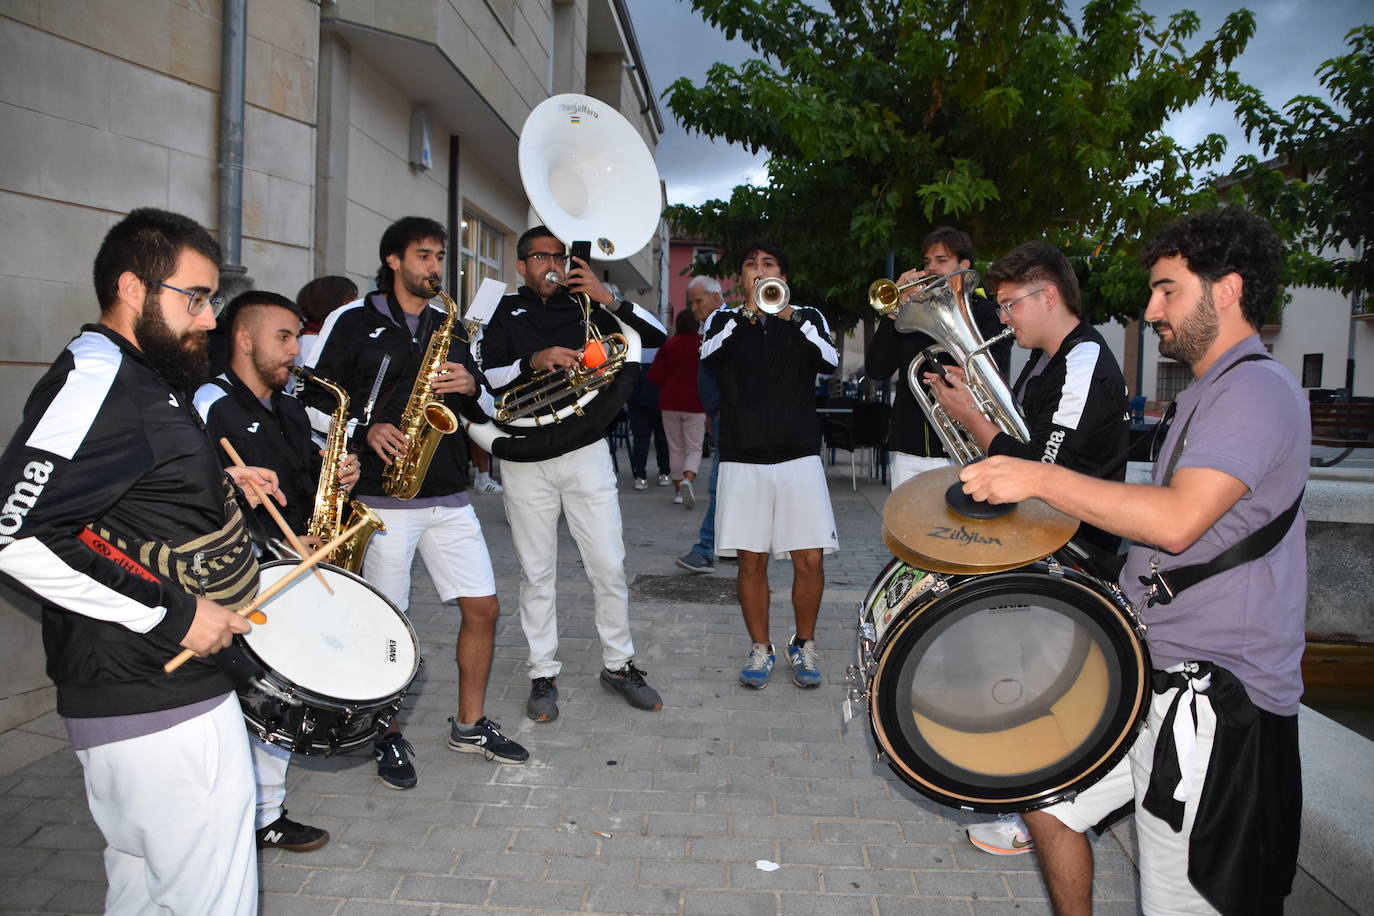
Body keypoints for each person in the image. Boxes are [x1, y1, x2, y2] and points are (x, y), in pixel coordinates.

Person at [960, 208, 1306, 914]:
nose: (1150, 310)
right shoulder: (1209, 390)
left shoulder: (1255, 391)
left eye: (1168, 291)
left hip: (1210, 703)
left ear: (1229, 290)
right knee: (1049, 808)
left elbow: (1177, 521)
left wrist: (1037, 478)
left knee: (1176, 899)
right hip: (1156, 672)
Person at [0, 207, 283, 915]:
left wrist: (221, 484)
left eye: (213, 298)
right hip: (159, 700)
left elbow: (115, 499)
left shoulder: (142, 374)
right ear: (133, 287)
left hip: (143, 699)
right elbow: (17, 532)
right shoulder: (101, 380)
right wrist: (179, 614)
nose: (211, 318)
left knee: (143, 895)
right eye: (196, 297)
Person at [303, 216, 528, 788]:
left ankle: (470, 725)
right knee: (388, 621)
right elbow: (311, 396)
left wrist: (471, 385)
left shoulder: (448, 326)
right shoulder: (351, 322)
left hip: (448, 493)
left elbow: (479, 398)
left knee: (483, 608)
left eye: (439, 257)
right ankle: (385, 732)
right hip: (381, 498)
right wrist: (363, 428)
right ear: (393, 261)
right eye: (424, 256)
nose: (435, 267)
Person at [928, 241, 1129, 856]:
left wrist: (971, 420)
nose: (1004, 317)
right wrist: (978, 407)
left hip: (1077, 546)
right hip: (1044, 535)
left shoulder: (1086, 356)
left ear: (1048, 296)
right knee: (1019, 675)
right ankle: (1021, 791)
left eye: (1011, 303)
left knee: (1047, 689)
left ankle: (1039, 804)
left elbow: (1050, 466)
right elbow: (1026, 438)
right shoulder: (1044, 362)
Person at [195, 290, 362, 854]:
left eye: (297, 336)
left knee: (279, 698)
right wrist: (279, 543)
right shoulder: (211, 404)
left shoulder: (289, 406)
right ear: (243, 339)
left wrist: (338, 475)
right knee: (251, 701)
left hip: (291, 569)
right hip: (242, 579)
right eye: (284, 337)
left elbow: (301, 482)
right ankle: (238, 815)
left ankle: (265, 812)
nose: (297, 349)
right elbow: (201, 503)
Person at [480, 225, 668, 722]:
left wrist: (611, 298)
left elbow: (657, 338)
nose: (552, 265)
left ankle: (619, 663)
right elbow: (482, 378)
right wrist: (532, 361)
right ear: (521, 265)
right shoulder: (502, 311)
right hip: (525, 449)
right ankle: (542, 671)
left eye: (558, 256)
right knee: (536, 571)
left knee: (608, 564)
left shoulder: (589, 304)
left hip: (585, 446)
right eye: (540, 257)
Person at [700, 239, 839, 689]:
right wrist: (747, 315)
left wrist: (789, 317)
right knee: (751, 561)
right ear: (739, 279)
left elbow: (829, 361)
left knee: (810, 561)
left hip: (799, 455)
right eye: (750, 265)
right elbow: (709, 357)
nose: (759, 271)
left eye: (769, 264)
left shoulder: (807, 317)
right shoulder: (723, 319)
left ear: (784, 274)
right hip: (743, 459)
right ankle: (760, 648)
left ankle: (805, 644)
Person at [865, 226, 1010, 489]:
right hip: (910, 450)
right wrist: (893, 313)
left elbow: (997, 371)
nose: (931, 268)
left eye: (941, 260)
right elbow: (877, 369)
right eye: (927, 261)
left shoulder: (987, 313)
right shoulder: (907, 316)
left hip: (969, 450)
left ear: (964, 265)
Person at [675, 275, 726, 573]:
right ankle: (718, 547)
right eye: (691, 302)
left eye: (698, 301)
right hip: (720, 415)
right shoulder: (709, 327)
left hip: (729, 416)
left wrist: (716, 409)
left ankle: (706, 548)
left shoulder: (723, 325)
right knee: (725, 483)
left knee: (720, 483)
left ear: (716, 298)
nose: (694, 308)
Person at [647, 309, 706, 508]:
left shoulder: (668, 345)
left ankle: (679, 492)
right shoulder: (702, 344)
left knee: (675, 448)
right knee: (694, 447)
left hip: (670, 401)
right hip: (695, 402)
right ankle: (688, 479)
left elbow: (654, 376)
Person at [627, 357, 672, 490]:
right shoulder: (664, 348)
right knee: (662, 439)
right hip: (659, 400)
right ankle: (664, 472)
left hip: (638, 402)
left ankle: (640, 476)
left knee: (641, 440)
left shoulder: (635, 352)